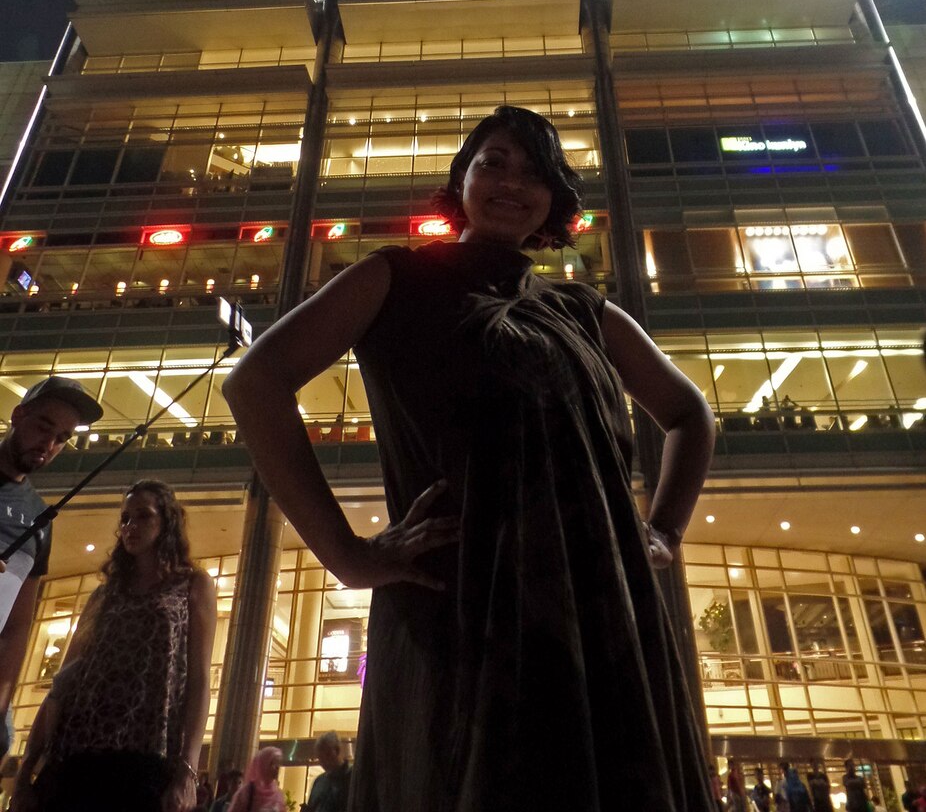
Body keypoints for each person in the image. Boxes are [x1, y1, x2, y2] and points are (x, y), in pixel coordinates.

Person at [224, 106, 718, 812]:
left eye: (534, 171)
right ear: (460, 181)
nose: (511, 182)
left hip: (597, 608)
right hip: (456, 606)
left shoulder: (586, 312)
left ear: (555, 199)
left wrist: (664, 532)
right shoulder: (393, 277)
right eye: (494, 162)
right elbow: (255, 382)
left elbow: (689, 414)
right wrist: (349, 555)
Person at [11, 479, 216, 812]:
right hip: (77, 752)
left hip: (148, 754)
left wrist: (188, 771)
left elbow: (199, 680)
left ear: (166, 522)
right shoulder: (104, 594)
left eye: (144, 516)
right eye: (125, 518)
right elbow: (63, 683)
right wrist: (26, 772)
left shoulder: (193, 584)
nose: (131, 526)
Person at [0, 377, 102, 759]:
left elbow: (16, 626)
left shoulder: (39, 517)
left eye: (62, 437)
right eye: (44, 427)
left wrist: (2, 702)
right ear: (17, 416)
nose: (49, 445)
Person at [303, 732, 351, 812]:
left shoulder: (352, 777)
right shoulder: (319, 781)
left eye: (327, 755)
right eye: (320, 758)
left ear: (337, 750)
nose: (324, 761)